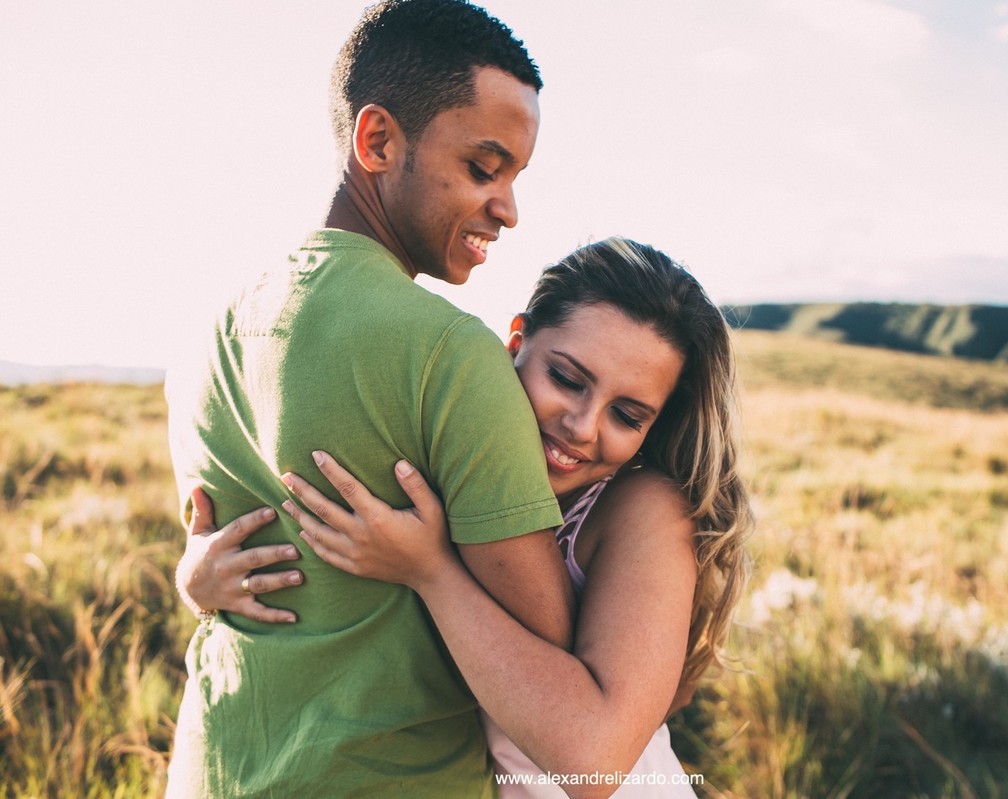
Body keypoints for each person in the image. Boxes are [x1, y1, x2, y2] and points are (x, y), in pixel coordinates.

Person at [165, 2, 574, 796]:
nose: (509, 209)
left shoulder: (209, 328)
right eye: (484, 168)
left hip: (209, 769)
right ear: (378, 140)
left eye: (517, 177)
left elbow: (217, 556)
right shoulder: (448, 351)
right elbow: (549, 643)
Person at [185, 238, 754, 797]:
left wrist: (432, 573)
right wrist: (196, 583)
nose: (582, 426)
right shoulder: (458, 469)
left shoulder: (644, 509)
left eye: (627, 415)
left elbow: (596, 764)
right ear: (514, 343)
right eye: (567, 379)